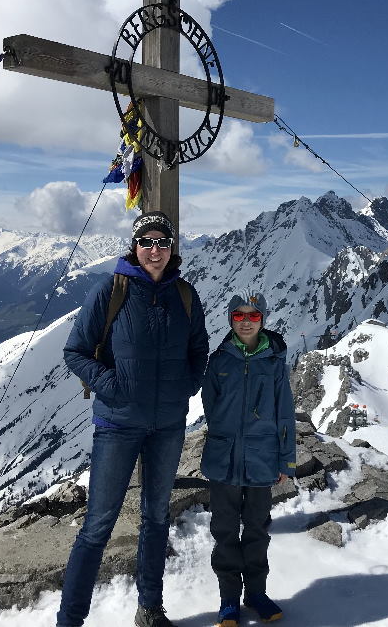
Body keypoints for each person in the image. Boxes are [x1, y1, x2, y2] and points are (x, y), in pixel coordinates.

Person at [57, 211, 209, 627]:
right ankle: (69, 621)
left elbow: (200, 349)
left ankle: (150, 608)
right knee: (98, 525)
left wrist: (187, 385)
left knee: (157, 519)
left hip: (168, 426)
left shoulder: (185, 295)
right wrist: (111, 384)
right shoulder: (111, 291)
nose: (154, 250)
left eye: (162, 242)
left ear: (172, 247)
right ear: (134, 246)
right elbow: (75, 351)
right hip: (117, 424)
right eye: (147, 242)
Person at [201, 292, 296, 627]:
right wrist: (226, 436)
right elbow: (210, 404)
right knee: (225, 530)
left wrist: (286, 461)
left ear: (263, 320)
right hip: (224, 460)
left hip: (261, 460)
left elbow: (284, 413)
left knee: (257, 529)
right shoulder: (219, 360)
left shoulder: (274, 362)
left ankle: (255, 593)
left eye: (253, 316)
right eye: (238, 316)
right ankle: (229, 599)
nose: (245, 322)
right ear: (230, 319)